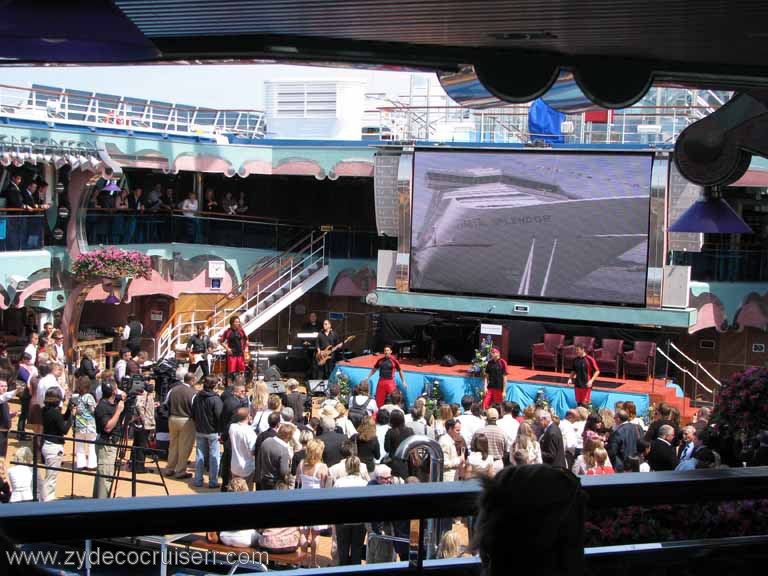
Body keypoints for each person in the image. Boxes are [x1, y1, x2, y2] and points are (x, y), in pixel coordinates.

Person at [295, 439, 329, 565]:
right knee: (315, 535)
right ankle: (313, 561)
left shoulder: (301, 463)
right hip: (316, 503)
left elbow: (298, 481)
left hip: (302, 501)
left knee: (303, 533)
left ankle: (303, 561)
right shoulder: (322, 467)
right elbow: (325, 486)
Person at [333, 455, 369, 565]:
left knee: (342, 550)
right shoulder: (365, 484)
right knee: (357, 551)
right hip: (359, 521)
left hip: (342, 521)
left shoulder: (339, 483)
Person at [93, 382, 124, 498]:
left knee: (104, 475)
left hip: (110, 444)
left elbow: (124, 396)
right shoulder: (102, 407)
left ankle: (99, 502)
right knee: (106, 477)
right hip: (107, 444)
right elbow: (108, 427)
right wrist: (119, 411)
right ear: (113, 392)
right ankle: (101, 505)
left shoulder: (111, 402)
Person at [191, 376, 223, 488]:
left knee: (200, 455)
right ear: (214, 385)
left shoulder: (197, 397)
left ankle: (198, 480)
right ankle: (213, 482)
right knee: (214, 456)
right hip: (213, 432)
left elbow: (193, 413)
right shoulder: (215, 399)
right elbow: (220, 416)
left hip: (200, 430)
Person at [164, 372, 197, 479]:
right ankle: (180, 470)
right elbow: (194, 407)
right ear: (192, 381)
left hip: (172, 418)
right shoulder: (192, 392)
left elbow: (166, 403)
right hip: (186, 420)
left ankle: (170, 468)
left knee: (173, 444)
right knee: (185, 446)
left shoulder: (173, 390)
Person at [219, 380, 248, 490]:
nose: (244, 393)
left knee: (227, 460)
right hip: (231, 437)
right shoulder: (236, 405)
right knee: (229, 462)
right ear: (237, 392)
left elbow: (222, 418)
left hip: (227, 435)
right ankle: (229, 486)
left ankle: (225, 484)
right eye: (242, 391)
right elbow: (231, 423)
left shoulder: (228, 400)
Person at [363, 345, 408, 410]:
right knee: (378, 400)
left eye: (387, 350)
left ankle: (397, 412)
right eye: (385, 350)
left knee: (395, 398)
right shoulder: (380, 360)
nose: (386, 352)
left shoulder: (394, 361)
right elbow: (374, 369)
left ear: (391, 351)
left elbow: (400, 371)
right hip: (381, 382)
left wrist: (404, 381)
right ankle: (378, 413)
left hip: (390, 382)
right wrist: (368, 377)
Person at [255, 423, 293, 490]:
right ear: (289, 437)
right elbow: (284, 471)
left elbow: (259, 459)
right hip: (276, 483)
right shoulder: (284, 450)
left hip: (263, 479)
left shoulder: (266, 441)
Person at [73, 376, 97, 471]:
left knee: (79, 445)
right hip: (89, 425)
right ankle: (92, 464)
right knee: (91, 445)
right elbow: (93, 409)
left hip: (79, 425)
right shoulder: (89, 397)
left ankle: (80, 464)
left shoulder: (77, 397)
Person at [228, 407, 257, 489]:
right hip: (247, 468)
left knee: (235, 489)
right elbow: (253, 451)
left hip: (234, 466)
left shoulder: (232, 427)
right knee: (247, 492)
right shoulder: (250, 432)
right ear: (248, 417)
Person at [131, 382, 156, 475]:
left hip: (142, 423)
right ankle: (139, 467)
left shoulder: (146, 396)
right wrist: (142, 417)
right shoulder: (144, 396)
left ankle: (134, 465)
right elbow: (139, 405)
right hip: (144, 424)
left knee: (138, 443)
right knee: (142, 444)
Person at [384, 409, 414, 479]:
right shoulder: (410, 431)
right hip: (408, 462)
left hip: (395, 463)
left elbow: (387, 448)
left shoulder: (390, 432)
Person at [220, 316, 248, 381]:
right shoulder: (227, 331)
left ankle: (240, 384)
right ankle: (229, 386)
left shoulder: (241, 330)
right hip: (231, 354)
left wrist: (245, 348)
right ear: (232, 323)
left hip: (240, 353)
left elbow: (246, 339)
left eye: (239, 322)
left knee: (241, 371)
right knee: (231, 371)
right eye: (236, 322)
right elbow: (221, 341)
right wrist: (227, 349)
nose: (238, 323)